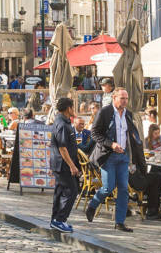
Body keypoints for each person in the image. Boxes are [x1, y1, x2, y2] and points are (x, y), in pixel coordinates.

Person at [84, 88, 147, 232]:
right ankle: (93, 205)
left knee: (124, 189)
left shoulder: (128, 115)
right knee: (108, 187)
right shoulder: (105, 112)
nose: (125, 101)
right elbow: (94, 133)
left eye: (126, 98)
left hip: (124, 157)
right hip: (108, 155)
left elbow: (132, 136)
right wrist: (111, 144)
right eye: (122, 98)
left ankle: (120, 222)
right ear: (114, 97)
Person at [49, 97, 81, 233]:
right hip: (63, 165)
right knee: (72, 190)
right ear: (68, 109)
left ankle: (55, 220)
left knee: (60, 191)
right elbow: (62, 148)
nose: (74, 110)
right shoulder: (62, 124)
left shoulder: (62, 121)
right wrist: (72, 166)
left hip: (61, 163)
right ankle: (60, 219)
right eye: (73, 107)